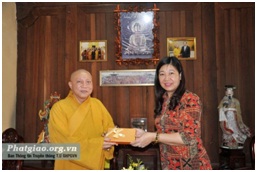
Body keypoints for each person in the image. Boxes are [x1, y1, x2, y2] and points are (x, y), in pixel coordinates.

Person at [130, 56, 212, 170]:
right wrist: (145, 135)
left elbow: (188, 137)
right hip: (169, 164)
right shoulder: (164, 100)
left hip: (192, 164)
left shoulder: (190, 99)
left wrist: (153, 136)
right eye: (162, 74)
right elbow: (166, 133)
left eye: (171, 73)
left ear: (180, 75)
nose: (166, 78)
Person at [48, 69, 117, 170]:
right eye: (79, 82)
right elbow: (61, 142)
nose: (85, 85)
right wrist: (98, 144)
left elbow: (110, 129)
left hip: (95, 163)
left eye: (88, 82)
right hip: (68, 164)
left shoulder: (97, 104)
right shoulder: (59, 108)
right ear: (71, 85)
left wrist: (109, 142)